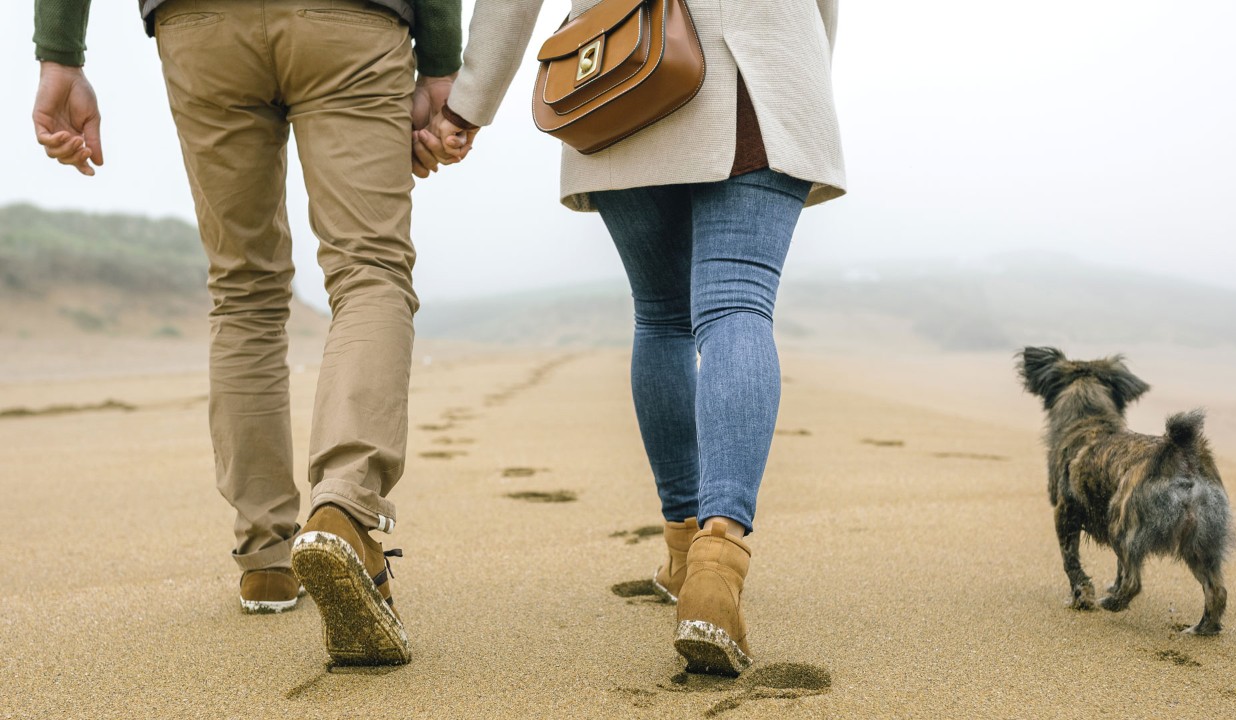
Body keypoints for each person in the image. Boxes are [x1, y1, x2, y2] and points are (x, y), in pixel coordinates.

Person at [32, 0, 464, 666]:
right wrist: (440, 63)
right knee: (368, 269)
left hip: (200, 24)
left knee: (243, 289)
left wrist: (59, 51)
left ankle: (265, 554)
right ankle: (344, 507)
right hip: (349, 20)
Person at [424, 0, 844, 676]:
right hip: (759, 55)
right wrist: (803, 56)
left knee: (661, 315)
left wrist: (466, 104)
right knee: (736, 304)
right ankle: (718, 563)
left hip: (619, 61)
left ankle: (683, 553)